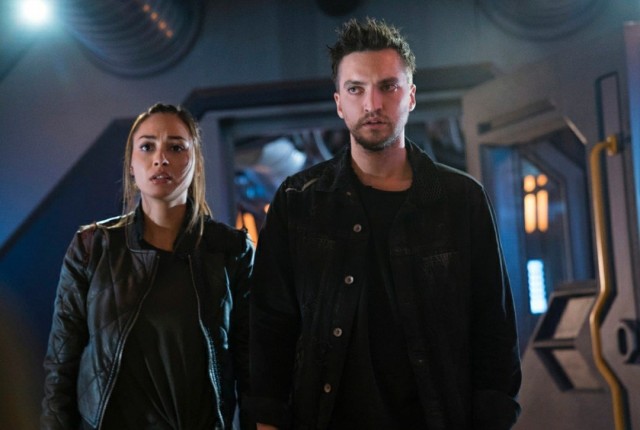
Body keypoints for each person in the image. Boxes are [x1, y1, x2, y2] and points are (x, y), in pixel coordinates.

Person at [250, 18, 521, 430]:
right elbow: (271, 325)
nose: (372, 104)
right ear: (339, 103)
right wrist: (267, 420)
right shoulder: (299, 201)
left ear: (410, 96)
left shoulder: (459, 199)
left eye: (388, 86)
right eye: (356, 89)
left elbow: (494, 329)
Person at [41, 103, 254, 429]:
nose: (160, 158)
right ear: (131, 164)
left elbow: (253, 363)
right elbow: (60, 364)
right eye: (147, 147)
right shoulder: (92, 246)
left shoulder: (231, 250)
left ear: (196, 163)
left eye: (176, 147)